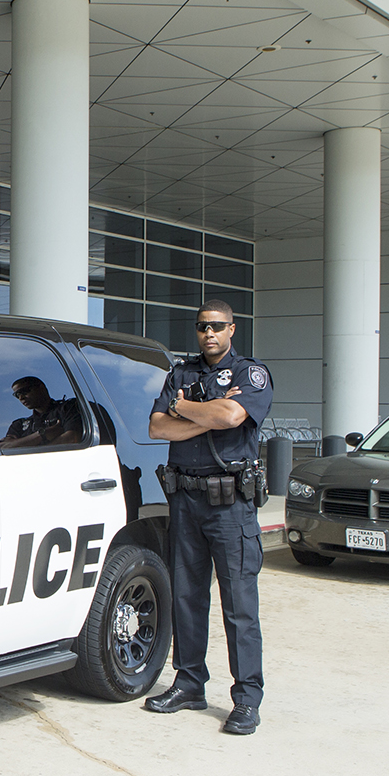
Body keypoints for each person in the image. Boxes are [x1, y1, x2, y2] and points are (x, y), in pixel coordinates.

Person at [144, 301, 272, 736]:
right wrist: (208, 415)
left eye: (217, 326)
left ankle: (247, 699)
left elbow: (234, 415)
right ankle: (189, 683)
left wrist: (187, 411)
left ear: (232, 329)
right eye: (202, 327)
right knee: (186, 597)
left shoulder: (250, 374)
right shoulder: (180, 374)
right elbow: (157, 428)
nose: (209, 333)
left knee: (239, 607)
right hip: (186, 501)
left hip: (230, 506)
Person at [0, 375, 83, 448]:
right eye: (17, 395)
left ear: (41, 388)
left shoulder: (68, 408)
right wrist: (42, 435)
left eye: (24, 391)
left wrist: (26, 444)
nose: (21, 398)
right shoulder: (19, 425)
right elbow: (5, 447)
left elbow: (72, 439)